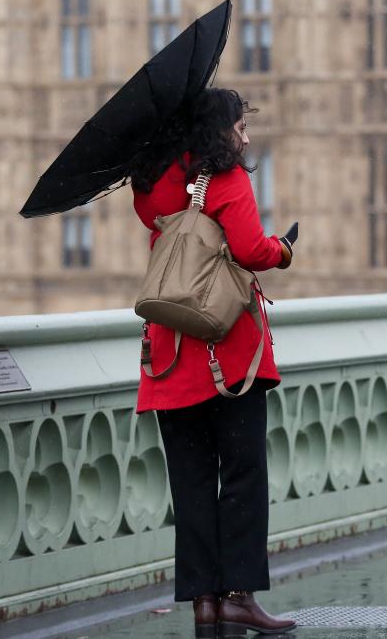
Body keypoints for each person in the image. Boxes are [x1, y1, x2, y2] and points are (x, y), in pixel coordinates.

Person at [130, 88, 296, 637]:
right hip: (225, 356)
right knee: (243, 475)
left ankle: (203, 601)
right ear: (217, 130)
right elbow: (251, 250)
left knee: (192, 483)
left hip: (169, 357)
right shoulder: (225, 180)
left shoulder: (153, 185)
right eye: (239, 126)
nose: (245, 136)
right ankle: (239, 596)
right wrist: (284, 249)